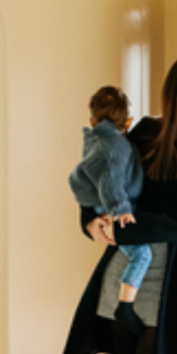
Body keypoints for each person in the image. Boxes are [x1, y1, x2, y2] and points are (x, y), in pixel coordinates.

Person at [62, 57, 177, 354]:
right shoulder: (146, 131)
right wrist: (89, 219)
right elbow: (104, 173)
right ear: (176, 93)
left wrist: (121, 229)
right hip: (126, 273)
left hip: (176, 280)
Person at [68, 85, 150, 336]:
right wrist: (120, 210)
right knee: (142, 255)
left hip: (103, 205)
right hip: (112, 205)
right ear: (129, 122)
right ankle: (125, 306)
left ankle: (125, 304)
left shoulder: (95, 140)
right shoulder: (116, 146)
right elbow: (111, 182)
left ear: (92, 120)